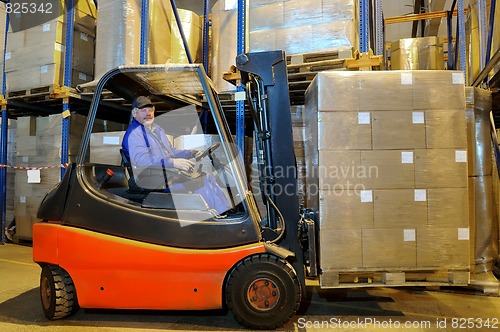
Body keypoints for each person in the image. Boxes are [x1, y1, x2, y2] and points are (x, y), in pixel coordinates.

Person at [122, 96, 231, 215]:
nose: (148, 114)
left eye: (150, 110)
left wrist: (189, 153)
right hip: (151, 180)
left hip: (164, 175)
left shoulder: (157, 130)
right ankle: (216, 215)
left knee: (207, 177)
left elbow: (171, 151)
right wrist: (173, 162)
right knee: (199, 182)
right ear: (134, 113)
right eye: (143, 110)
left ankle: (225, 211)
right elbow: (143, 161)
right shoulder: (135, 134)